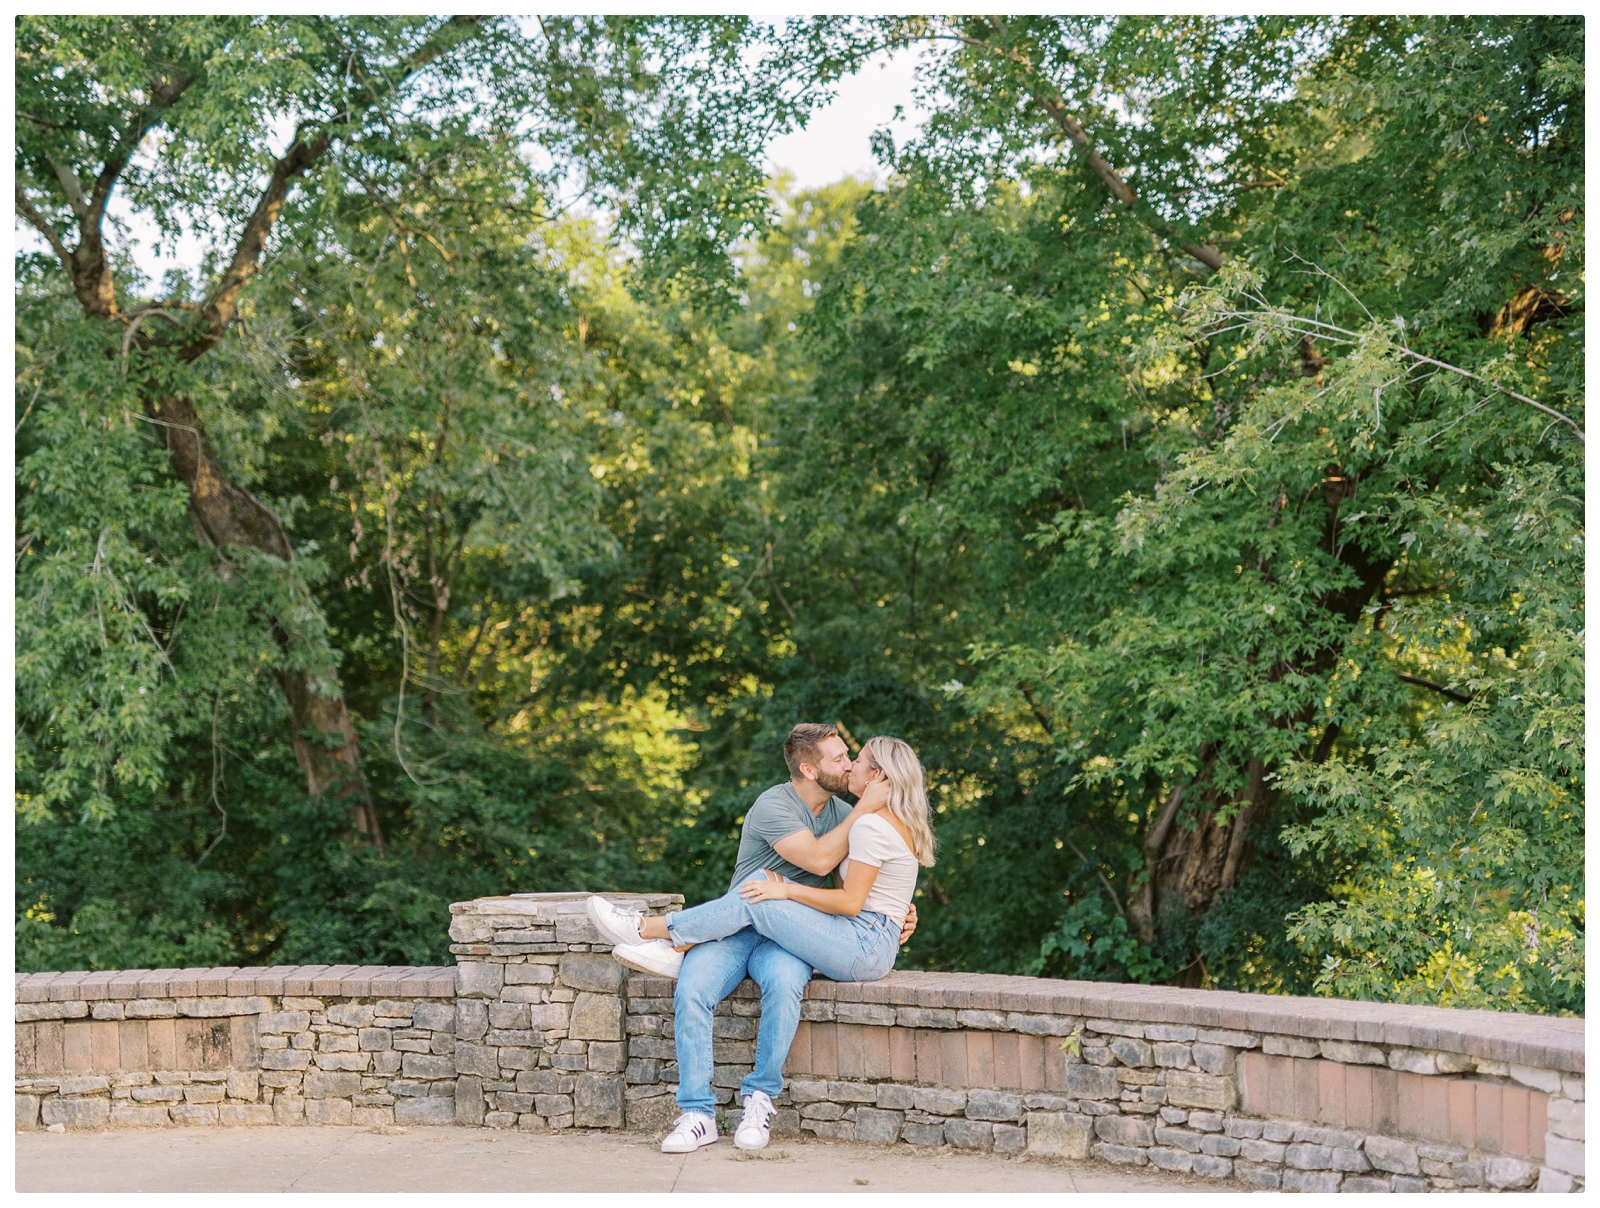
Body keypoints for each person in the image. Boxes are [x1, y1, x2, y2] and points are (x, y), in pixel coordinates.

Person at [586, 728, 935, 1154]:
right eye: (839, 757)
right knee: (693, 990)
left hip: (791, 933)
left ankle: (759, 1099)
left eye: (851, 757)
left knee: (785, 984)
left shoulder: (849, 811)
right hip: (734, 927)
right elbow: (822, 860)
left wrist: (902, 908)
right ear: (809, 769)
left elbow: (859, 882)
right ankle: (697, 1114)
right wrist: (862, 816)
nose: (847, 764)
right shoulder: (776, 805)